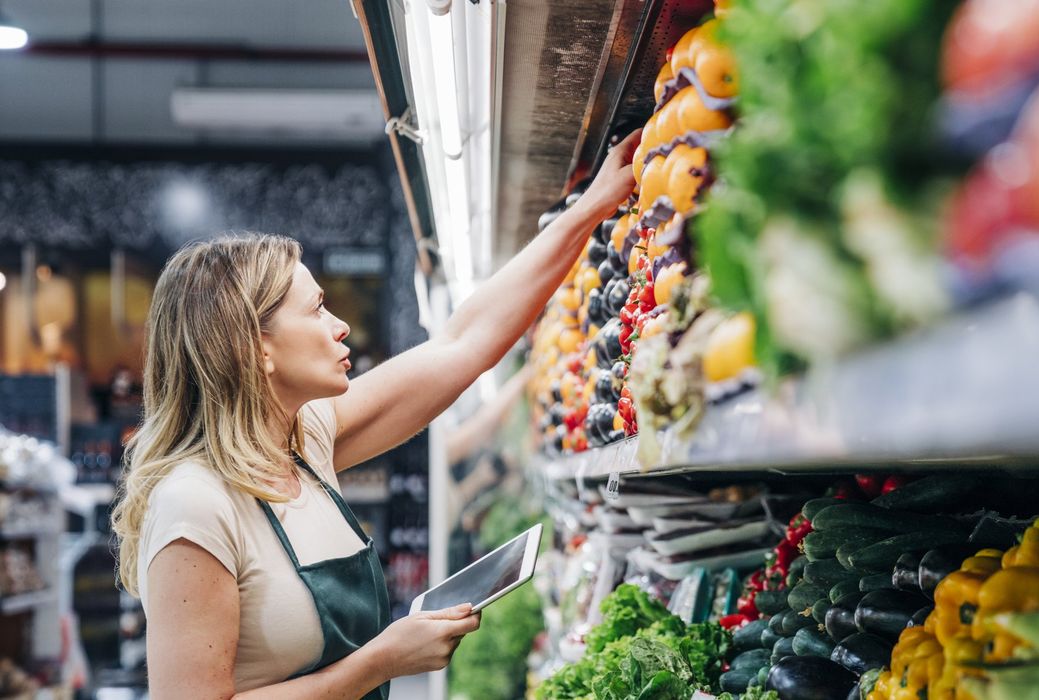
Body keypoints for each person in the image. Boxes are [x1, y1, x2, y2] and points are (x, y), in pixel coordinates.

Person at [110, 130, 641, 699]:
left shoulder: (304, 442)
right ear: (255, 348)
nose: (340, 326)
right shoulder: (195, 504)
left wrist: (592, 208)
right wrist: (378, 662)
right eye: (316, 309)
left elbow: (459, 345)